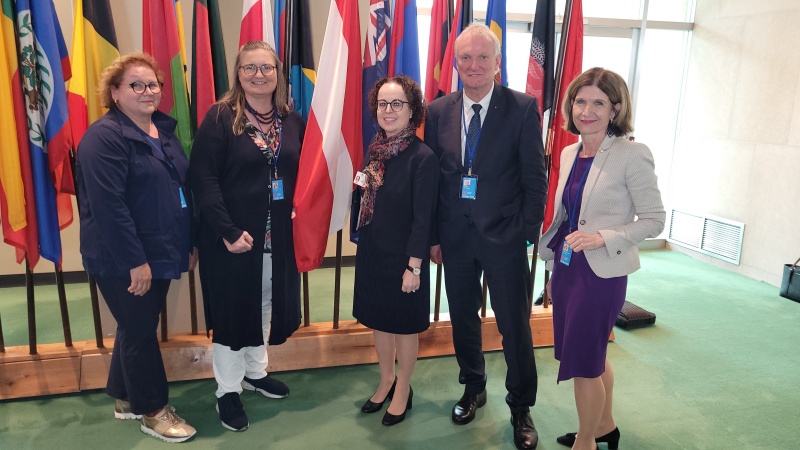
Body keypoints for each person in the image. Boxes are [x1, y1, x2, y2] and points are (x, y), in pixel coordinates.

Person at [424, 23, 548, 450]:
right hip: (455, 238)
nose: (473, 65)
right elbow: (434, 181)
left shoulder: (522, 107)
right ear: (456, 63)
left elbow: (535, 178)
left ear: (497, 62)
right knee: (463, 319)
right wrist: (434, 237)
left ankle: (521, 405)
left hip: (505, 238)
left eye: (482, 57)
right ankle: (473, 387)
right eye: (465, 57)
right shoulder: (437, 111)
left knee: (514, 326)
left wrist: (525, 234)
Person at [539, 67, 665, 450]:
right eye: (580, 101)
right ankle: (604, 427)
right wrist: (553, 270)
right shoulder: (570, 152)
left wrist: (602, 238)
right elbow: (567, 218)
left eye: (598, 103)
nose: (586, 111)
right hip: (568, 268)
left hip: (601, 274)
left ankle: (586, 442)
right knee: (593, 354)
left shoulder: (632, 154)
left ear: (615, 108)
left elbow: (654, 220)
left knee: (583, 362)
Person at [76, 52, 197, 443]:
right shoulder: (102, 138)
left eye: (153, 84)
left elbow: (181, 188)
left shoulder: (163, 129)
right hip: (124, 258)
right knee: (141, 331)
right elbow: (108, 207)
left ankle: (125, 396)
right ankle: (153, 411)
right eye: (136, 85)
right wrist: (135, 262)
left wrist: (189, 242)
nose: (148, 91)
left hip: (162, 248)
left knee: (135, 326)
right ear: (114, 92)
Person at [189, 41, 302, 432]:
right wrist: (227, 230)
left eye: (266, 67)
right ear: (237, 74)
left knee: (265, 302)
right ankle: (227, 390)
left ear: (277, 73)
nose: (259, 75)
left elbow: (299, 172)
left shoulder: (290, 118)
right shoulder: (221, 117)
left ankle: (255, 372)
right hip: (232, 239)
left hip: (276, 237)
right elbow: (203, 179)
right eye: (250, 67)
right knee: (232, 311)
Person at [352, 75, 439, 426]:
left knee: (404, 326)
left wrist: (414, 267)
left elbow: (423, 219)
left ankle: (403, 387)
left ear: (412, 109)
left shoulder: (423, 157)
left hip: (405, 259)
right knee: (379, 321)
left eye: (397, 104)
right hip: (373, 252)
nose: (388, 110)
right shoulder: (375, 149)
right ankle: (386, 378)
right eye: (382, 104)